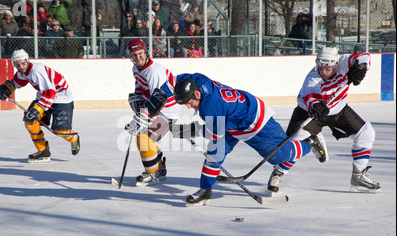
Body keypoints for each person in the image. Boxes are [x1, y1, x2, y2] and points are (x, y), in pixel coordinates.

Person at [157, 74, 322, 206]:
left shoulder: (211, 108)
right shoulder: (196, 80)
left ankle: (309, 142)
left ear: (197, 94)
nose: (188, 107)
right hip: (231, 118)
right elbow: (175, 80)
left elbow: (214, 136)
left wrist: (186, 130)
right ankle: (205, 190)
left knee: (278, 156)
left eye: (189, 103)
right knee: (214, 155)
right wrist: (156, 99)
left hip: (254, 120)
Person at [284, 46, 381, 194]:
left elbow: (364, 56)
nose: (323, 72)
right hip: (309, 113)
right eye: (320, 67)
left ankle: (358, 175)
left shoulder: (343, 62)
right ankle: (279, 173)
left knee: (366, 133)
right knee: (293, 142)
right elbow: (311, 96)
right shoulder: (312, 79)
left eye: (327, 69)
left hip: (339, 111)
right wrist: (315, 106)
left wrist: (360, 68)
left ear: (335, 65)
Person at [0, 49, 80, 163]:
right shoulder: (22, 72)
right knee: (30, 122)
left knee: (60, 130)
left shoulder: (37, 71)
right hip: (44, 96)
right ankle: (43, 150)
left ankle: (74, 138)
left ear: (27, 60)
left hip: (61, 98)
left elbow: (50, 92)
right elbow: (17, 82)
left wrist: (38, 109)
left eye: (23, 63)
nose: (21, 67)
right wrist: (7, 88)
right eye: (17, 65)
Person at [125, 38, 181, 186]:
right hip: (154, 108)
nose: (138, 57)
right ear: (130, 56)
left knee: (143, 139)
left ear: (146, 52)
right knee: (145, 138)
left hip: (168, 110)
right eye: (134, 55)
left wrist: (141, 118)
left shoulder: (154, 72)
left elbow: (158, 101)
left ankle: (153, 173)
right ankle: (160, 168)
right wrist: (138, 103)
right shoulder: (136, 68)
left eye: (140, 53)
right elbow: (139, 88)